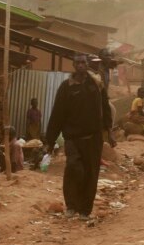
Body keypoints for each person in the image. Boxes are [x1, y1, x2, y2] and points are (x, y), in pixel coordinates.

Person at [45, 54, 115, 221]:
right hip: (73, 139)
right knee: (73, 169)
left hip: (93, 138)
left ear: (87, 64)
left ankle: (85, 210)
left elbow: (105, 108)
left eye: (83, 62)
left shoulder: (96, 85)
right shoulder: (66, 87)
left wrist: (110, 132)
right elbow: (57, 115)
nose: (81, 65)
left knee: (91, 174)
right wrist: (50, 140)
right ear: (74, 65)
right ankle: (71, 206)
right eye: (78, 63)